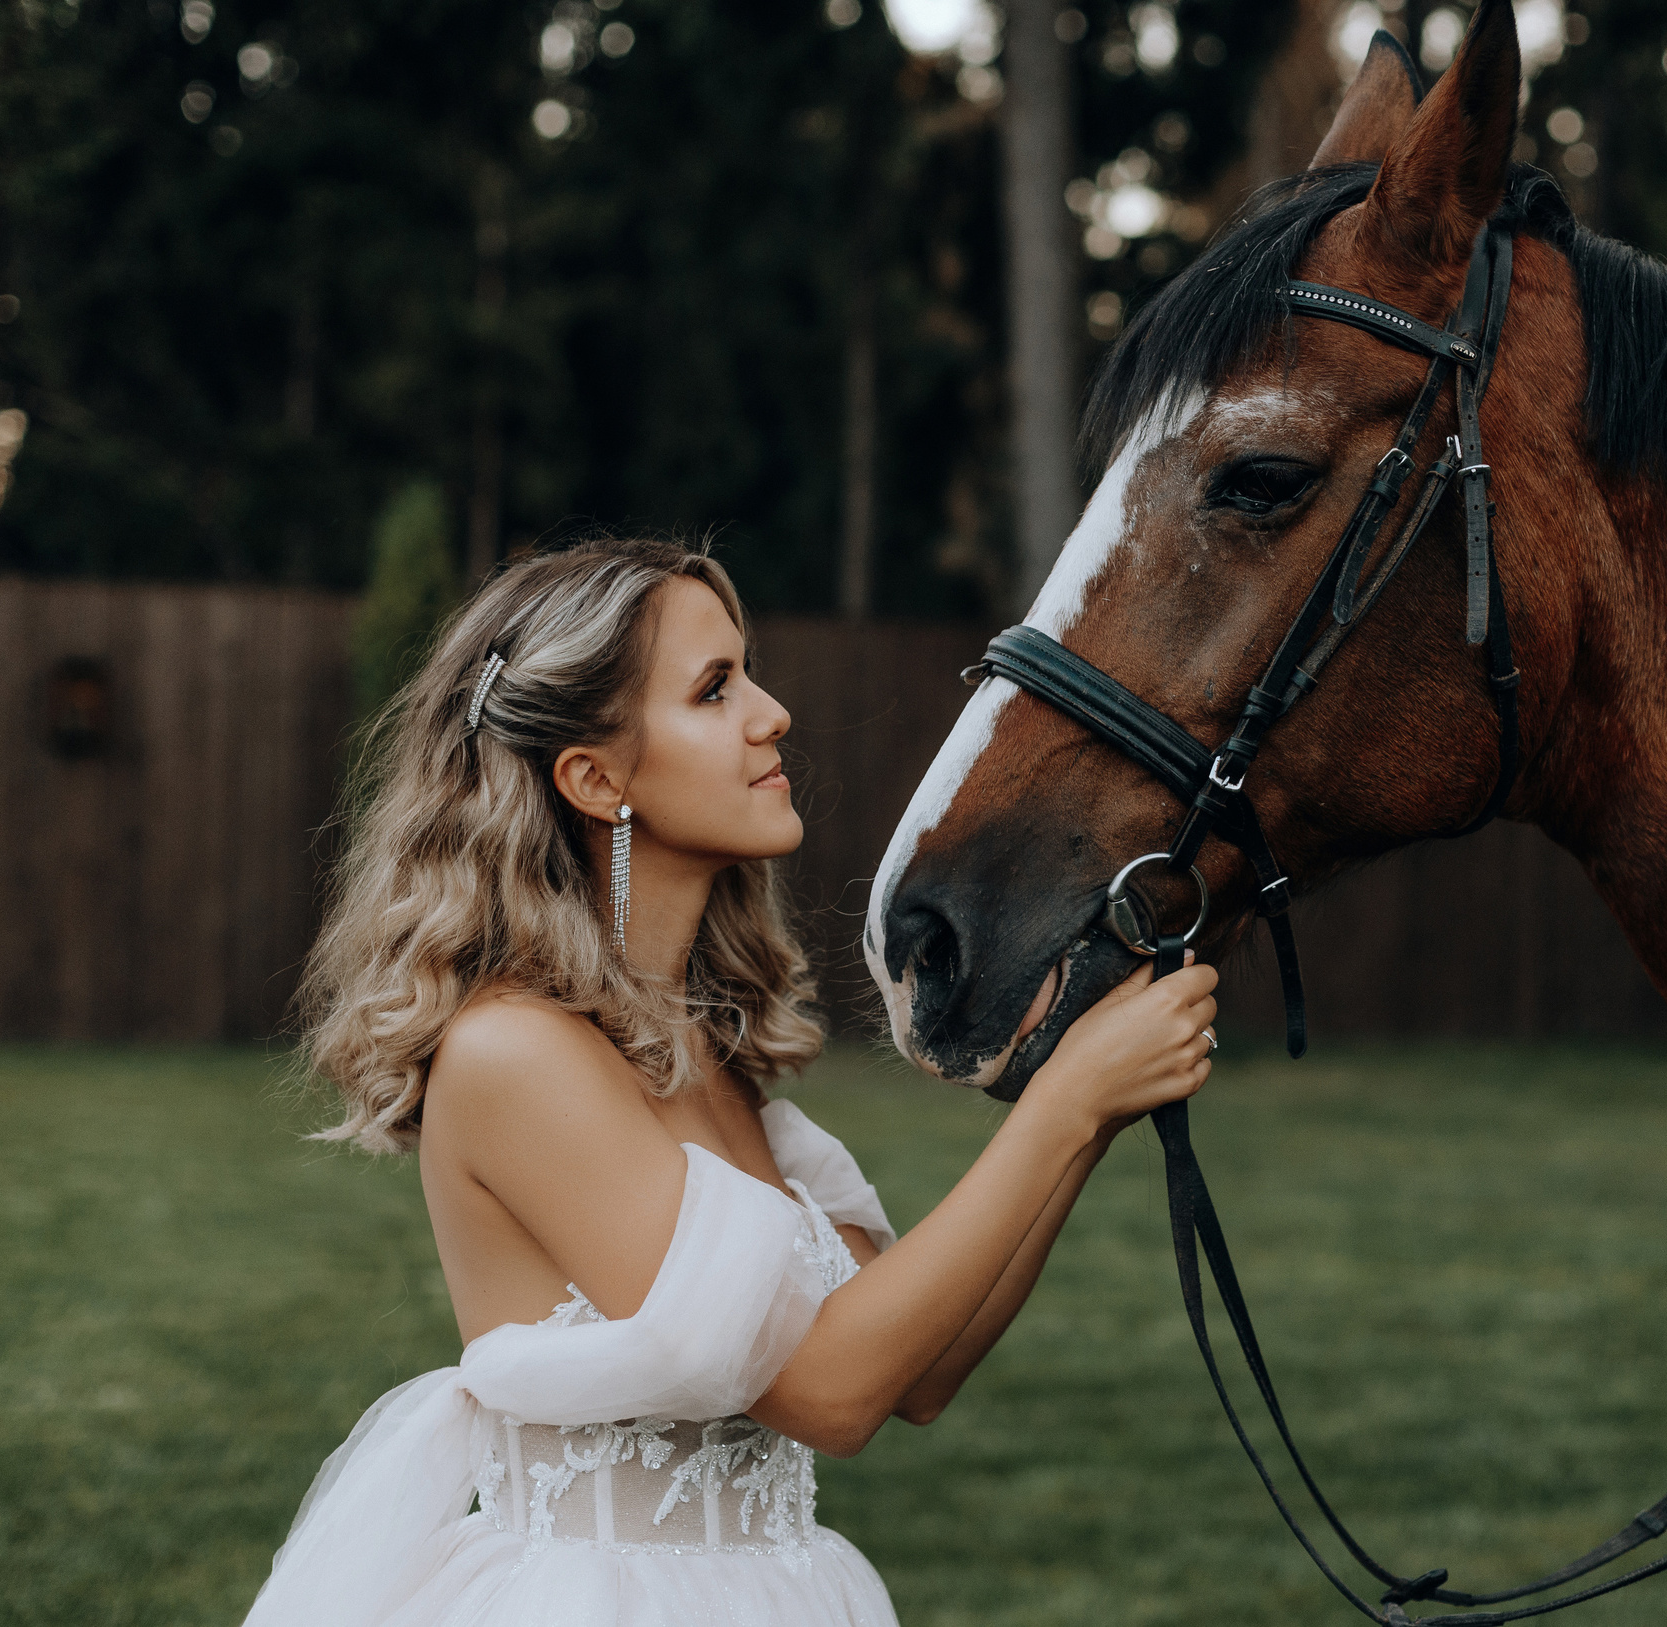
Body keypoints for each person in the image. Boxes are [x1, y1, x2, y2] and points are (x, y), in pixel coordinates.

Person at [248, 538, 1219, 1627]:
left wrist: (1088, 1090)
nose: (773, 713)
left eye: (747, 672)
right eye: (714, 689)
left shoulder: (713, 1064)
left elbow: (916, 1371)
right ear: (595, 778)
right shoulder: (511, 1053)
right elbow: (827, 1393)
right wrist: (1066, 1104)